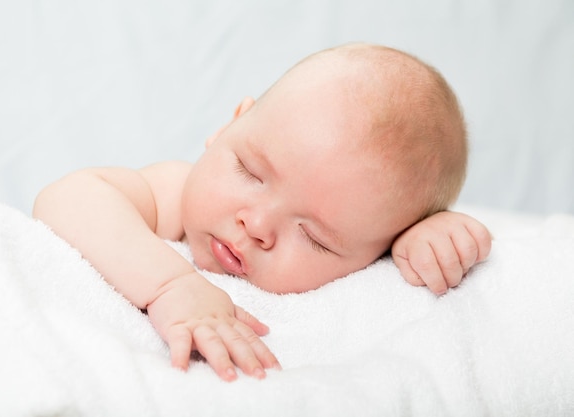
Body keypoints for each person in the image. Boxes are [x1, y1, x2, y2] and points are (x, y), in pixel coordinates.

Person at [33, 43, 492, 382]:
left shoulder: (377, 251)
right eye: (250, 172)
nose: (256, 225)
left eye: (314, 237)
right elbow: (66, 197)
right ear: (229, 126)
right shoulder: (169, 196)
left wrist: (425, 241)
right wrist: (172, 286)